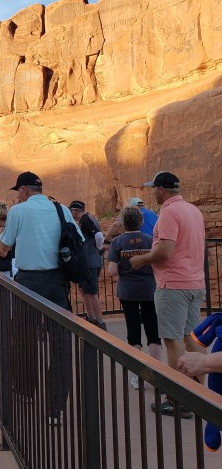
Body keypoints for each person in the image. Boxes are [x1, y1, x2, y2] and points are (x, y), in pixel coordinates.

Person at [0, 171, 82, 426]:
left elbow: (4, 247)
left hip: (29, 281)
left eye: (18, 191)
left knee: (24, 338)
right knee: (60, 344)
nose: (19, 195)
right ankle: (55, 408)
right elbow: (78, 237)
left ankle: (25, 392)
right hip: (57, 282)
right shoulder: (61, 209)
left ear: (24, 190)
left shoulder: (18, 211)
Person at [130, 171, 207, 418]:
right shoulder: (193, 210)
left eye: (154, 188)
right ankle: (201, 394)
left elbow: (165, 251)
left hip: (173, 284)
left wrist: (141, 259)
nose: (153, 192)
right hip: (195, 282)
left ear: (161, 190)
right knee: (191, 338)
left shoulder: (169, 212)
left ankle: (177, 399)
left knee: (173, 340)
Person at [107, 206, 161, 389]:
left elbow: (112, 270)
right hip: (149, 290)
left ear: (123, 222)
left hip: (128, 291)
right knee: (153, 330)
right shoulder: (150, 240)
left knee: (133, 331)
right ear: (141, 221)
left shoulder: (117, 242)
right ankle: (157, 374)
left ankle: (139, 376)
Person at [69, 200, 106, 330]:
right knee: (85, 290)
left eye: (71, 211)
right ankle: (91, 318)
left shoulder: (85, 220)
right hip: (88, 262)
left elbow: (99, 235)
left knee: (91, 292)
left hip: (90, 262)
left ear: (75, 211)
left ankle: (100, 323)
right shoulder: (88, 218)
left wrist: (98, 248)